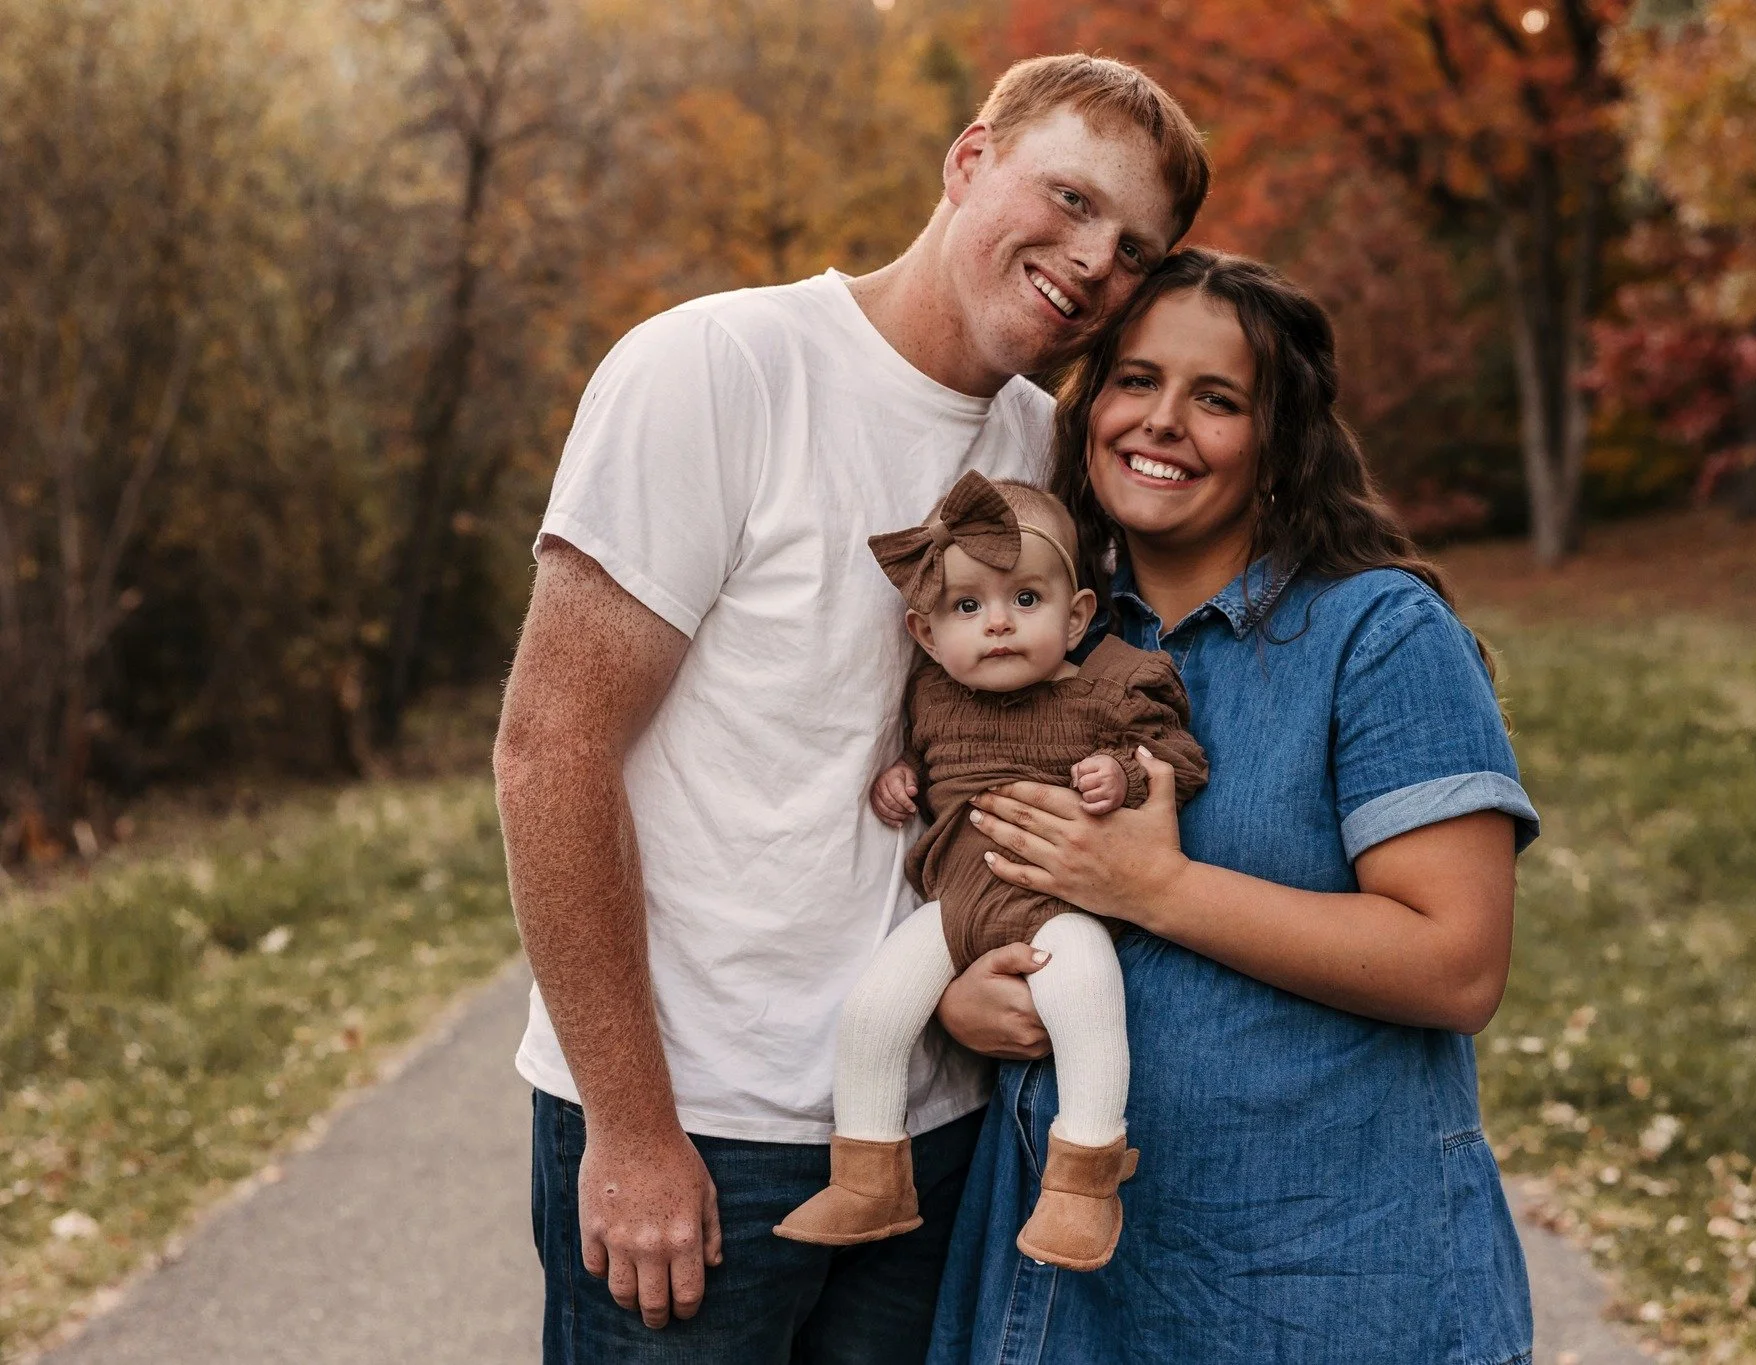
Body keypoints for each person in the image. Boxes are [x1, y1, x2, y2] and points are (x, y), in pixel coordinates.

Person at [493, 55, 1207, 1363]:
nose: (1095, 260)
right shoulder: (716, 367)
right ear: (969, 160)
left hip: (933, 1143)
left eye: (1136, 249)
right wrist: (636, 1131)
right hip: (699, 1133)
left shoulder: (1043, 449)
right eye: (1069, 196)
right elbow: (552, 749)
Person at [927, 249, 1542, 1364]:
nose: (1161, 423)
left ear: (1277, 441)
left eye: (1216, 399)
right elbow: (976, 868)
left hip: (1326, 1291)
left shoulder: (1377, 636)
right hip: (1067, 1295)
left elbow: (1456, 966)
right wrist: (962, 1000)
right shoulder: (1038, 637)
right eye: (1135, 381)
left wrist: (1154, 886)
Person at [772, 471, 1206, 1272]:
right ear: (928, 634)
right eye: (967, 607)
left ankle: (1082, 1183)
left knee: (1085, 1002)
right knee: (873, 1009)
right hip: (959, 903)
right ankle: (870, 1174)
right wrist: (900, 775)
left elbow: (1181, 757)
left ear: (1077, 614)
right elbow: (929, 763)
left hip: (1061, 903)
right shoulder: (932, 696)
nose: (998, 624)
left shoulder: (1111, 687)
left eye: (1026, 601)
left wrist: (1126, 773)